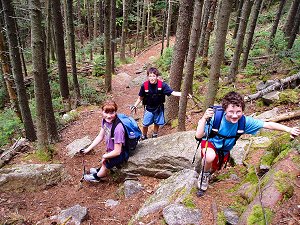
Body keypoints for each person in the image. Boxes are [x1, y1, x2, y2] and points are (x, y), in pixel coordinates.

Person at [195, 91, 300, 191]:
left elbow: (268, 124)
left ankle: (208, 174)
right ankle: (204, 176)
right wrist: (204, 119)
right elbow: (198, 135)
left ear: (242, 110)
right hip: (210, 143)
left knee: (214, 168)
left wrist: (289, 129)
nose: (235, 115)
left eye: (238, 112)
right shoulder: (215, 118)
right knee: (209, 157)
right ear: (225, 110)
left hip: (224, 150)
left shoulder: (244, 122)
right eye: (231, 111)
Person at [131, 67, 190, 140]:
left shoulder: (162, 85)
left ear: (157, 76)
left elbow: (173, 93)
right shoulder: (144, 85)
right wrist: (134, 105)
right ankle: (144, 136)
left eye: (154, 76)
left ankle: (155, 134)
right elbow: (140, 97)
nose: (152, 78)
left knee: (157, 122)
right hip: (149, 108)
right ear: (147, 76)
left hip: (158, 108)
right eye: (150, 76)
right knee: (145, 123)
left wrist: (184, 94)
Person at [81, 100, 127, 182]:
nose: (109, 116)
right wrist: (88, 149)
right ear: (102, 111)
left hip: (121, 153)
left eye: (112, 113)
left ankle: (97, 177)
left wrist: (104, 156)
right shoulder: (105, 121)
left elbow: (117, 152)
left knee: (106, 163)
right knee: (105, 159)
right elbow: (100, 136)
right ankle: (100, 169)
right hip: (111, 150)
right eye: (106, 112)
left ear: (115, 112)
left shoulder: (118, 129)